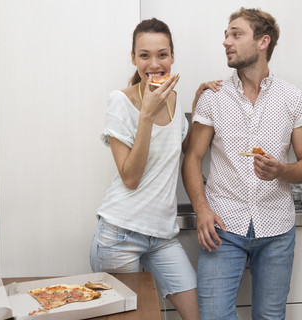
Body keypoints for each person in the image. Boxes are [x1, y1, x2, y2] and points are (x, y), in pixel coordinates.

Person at [182, 7, 302, 320]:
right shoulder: (213, 96)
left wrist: (281, 171)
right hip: (223, 228)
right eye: (226, 35)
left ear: (262, 41)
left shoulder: (293, 98)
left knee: (271, 317)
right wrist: (202, 210)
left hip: (277, 229)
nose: (226, 41)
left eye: (236, 34)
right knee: (215, 316)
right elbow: (193, 157)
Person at [89, 18, 202, 320]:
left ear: (172, 56)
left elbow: (181, 154)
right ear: (133, 58)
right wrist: (146, 116)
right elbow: (130, 176)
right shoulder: (120, 101)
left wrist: (200, 103)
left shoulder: (175, 101)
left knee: (196, 314)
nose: (154, 63)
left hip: (163, 236)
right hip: (120, 236)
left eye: (162, 54)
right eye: (144, 55)